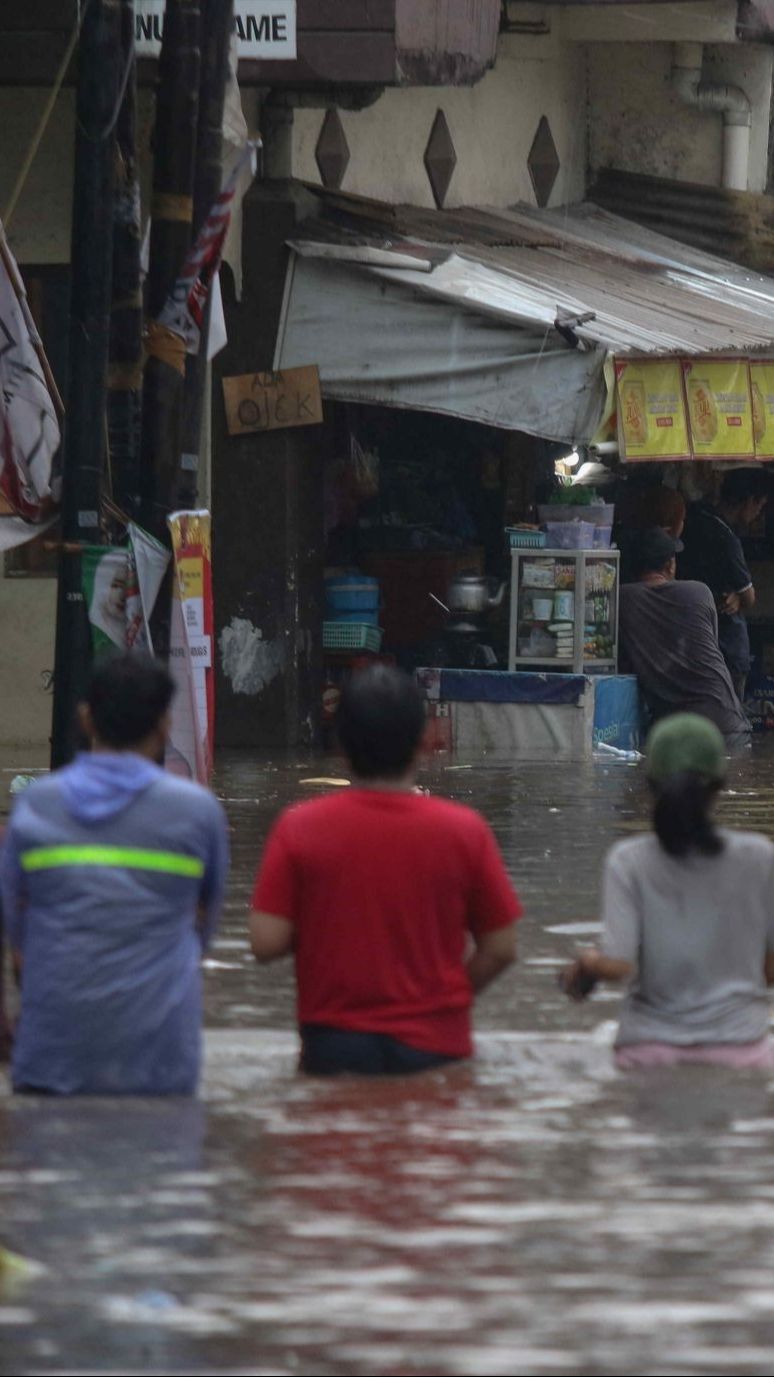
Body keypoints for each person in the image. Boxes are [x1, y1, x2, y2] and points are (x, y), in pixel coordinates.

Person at [250, 664, 521, 1075]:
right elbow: (501, 948)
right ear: (425, 742)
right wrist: (447, 1001)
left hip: (333, 1049)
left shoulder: (299, 827)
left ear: (340, 744)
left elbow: (265, 942)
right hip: (437, 1048)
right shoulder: (465, 830)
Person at [0, 655, 229, 1095]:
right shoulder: (198, 813)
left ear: (86, 718)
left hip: (51, 1056)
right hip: (161, 1062)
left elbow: (18, 938)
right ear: (165, 724)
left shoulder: (36, 806)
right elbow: (202, 931)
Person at [560, 713, 774, 1070]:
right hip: (743, 1053)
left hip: (647, 1052)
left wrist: (587, 963)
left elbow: (619, 964)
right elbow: (770, 970)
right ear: (719, 787)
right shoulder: (760, 857)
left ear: (650, 786)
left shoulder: (628, 861)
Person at [619, 527, 750, 746]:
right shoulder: (699, 592)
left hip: (673, 734)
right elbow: (711, 645)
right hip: (724, 724)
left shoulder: (621, 600)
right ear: (670, 565)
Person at [678, 468, 769, 701]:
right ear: (749, 501)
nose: (759, 514)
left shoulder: (696, 520)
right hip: (725, 645)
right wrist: (741, 597)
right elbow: (749, 597)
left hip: (691, 641)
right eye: (759, 506)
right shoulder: (726, 538)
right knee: (729, 719)